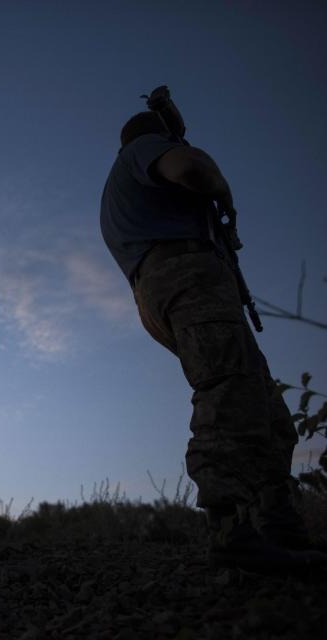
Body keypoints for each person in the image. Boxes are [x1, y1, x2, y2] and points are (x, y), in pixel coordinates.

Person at [100, 112, 325, 574]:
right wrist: (219, 188)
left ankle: (280, 527)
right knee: (230, 390)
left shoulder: (124, 179)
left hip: (170, 285)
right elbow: (191, 170)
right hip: (185, 276)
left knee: (264, 405)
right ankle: (232, 531)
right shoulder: (144, 150)